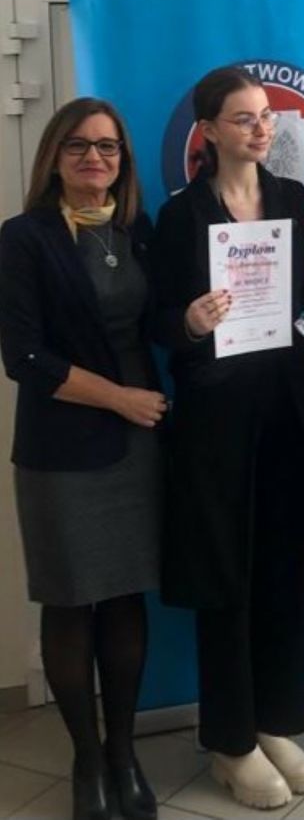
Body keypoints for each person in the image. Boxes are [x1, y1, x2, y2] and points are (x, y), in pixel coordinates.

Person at [153, 66, 304, 809]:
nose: (261, 128)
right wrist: (188, 322)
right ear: (207, 130)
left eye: (266, 115)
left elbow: (300, 303)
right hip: (217, 420)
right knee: (225, 574)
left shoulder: (290, 198)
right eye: (243, 118)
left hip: (287, 412)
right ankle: (229, 740)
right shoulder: (181, 215)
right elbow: (158, 320)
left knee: (281, 567)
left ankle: (274, 721)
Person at [0, 97, 167, 820]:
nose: (94, 158)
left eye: (107, 147)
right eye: (78, 146)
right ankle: (87, 760)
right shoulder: (24, 237)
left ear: (123, 160)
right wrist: (120, 399)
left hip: (138, 445)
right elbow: (24, 357)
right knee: (70, 601)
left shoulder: (136, 230)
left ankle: (123, 751)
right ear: (54, 158)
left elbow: (161, 321)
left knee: (126, 595)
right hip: (62, 445)